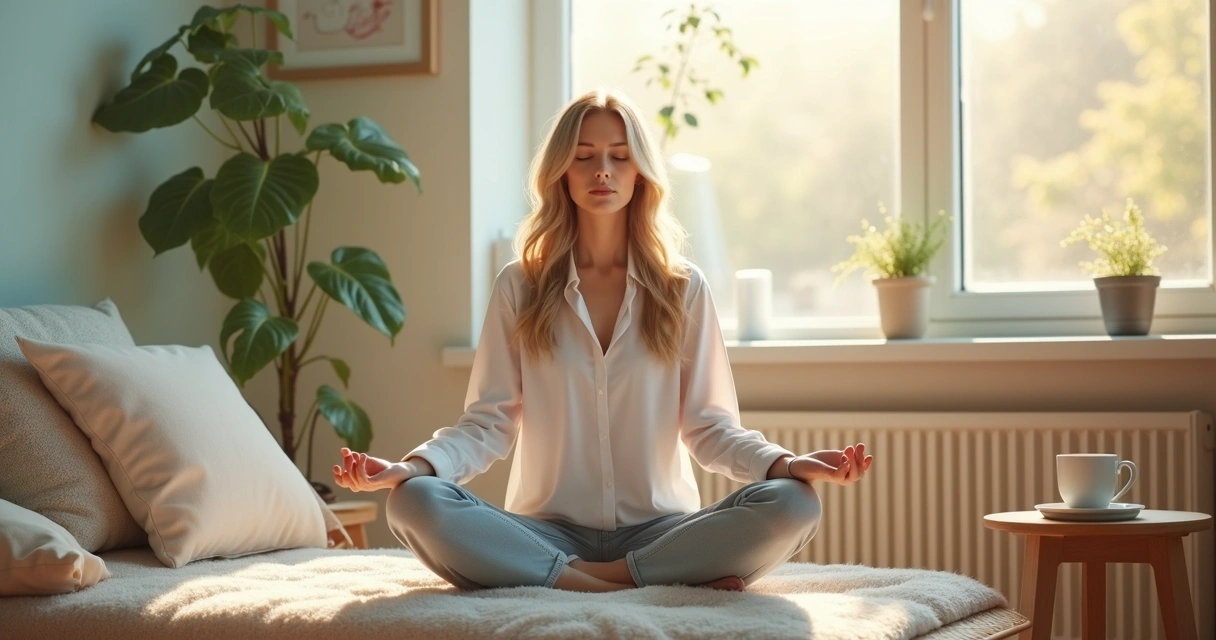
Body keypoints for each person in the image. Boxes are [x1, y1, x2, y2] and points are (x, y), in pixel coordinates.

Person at [332, 89, 874, 593]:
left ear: (640, 172)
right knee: (413, 502)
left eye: (619, 156)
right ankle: (641, 583)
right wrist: (413, 468)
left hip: (661, 529)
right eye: (584, 156)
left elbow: (710, 428)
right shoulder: (519, 286)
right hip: (545, 531)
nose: (602, 171)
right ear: (560, 172)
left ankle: (575, 580)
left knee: (795, 505)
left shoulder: (683, 288)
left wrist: (786, 464)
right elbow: (487, 424)